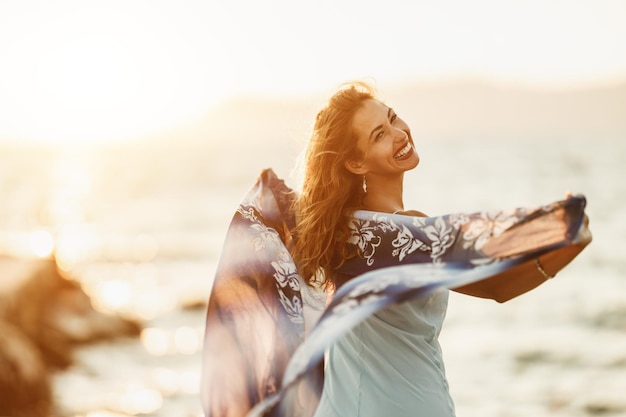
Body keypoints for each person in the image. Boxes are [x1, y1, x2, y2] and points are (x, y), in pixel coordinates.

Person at [200, 82, 591, 417]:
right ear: (354, 162)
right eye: (379, 135)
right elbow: (494, 283)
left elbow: (487, 274)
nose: (399, 132)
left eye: (392, 118)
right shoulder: (365, 237)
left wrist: (562, 241)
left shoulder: (365, 230)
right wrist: (561, 235)